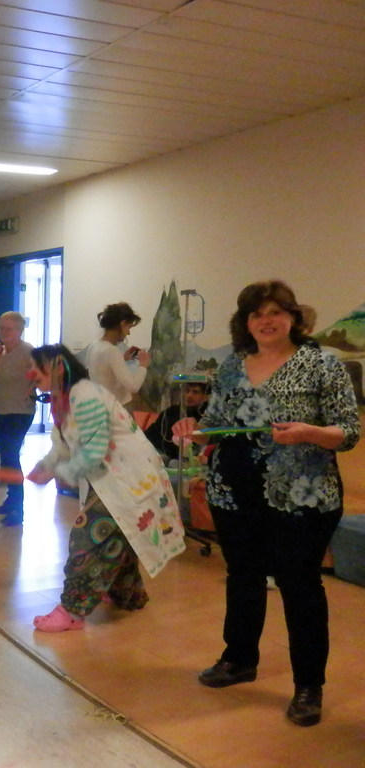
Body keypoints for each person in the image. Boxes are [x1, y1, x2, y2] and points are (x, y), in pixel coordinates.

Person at [172, 280, 359, 727]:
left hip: (301, 495)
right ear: (245, 322)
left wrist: (310, 432)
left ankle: (309, 685)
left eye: (276, 311)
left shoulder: (322, 364)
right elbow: (214, 423)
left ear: (293, 317)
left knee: (300, 585)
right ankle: (238, 659)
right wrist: (191, 430)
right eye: (256, 314)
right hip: (234, 489)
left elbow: (348, 431)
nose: (266, 320)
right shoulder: (232, 366)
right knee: (243, 576)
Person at [25, 344, 185, 632]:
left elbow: (95, 450)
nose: (31, 373)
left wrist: (62, 473)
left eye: (38, 367)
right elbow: (62, 446)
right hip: (111, 479)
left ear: (58, 368)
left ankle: (72, 611)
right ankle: (128, 594)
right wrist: (44, 468)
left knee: (87, 538)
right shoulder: (63, 400)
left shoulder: (85, 395)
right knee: (120, 532)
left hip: (131, 480)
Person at [0, 311, 36, 526]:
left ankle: (18, 509)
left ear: (19, 330)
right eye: (1, 328)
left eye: (8, 329)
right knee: (7, 459)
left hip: (20, 412)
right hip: (1, 410)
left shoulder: (29, 352)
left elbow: (41, 376)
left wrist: (31, 388)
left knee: (11, 458)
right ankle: (11, 500)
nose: (3, 332)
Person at [83, 302, 149, 407]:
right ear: (122, 324)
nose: (128, 333)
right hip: (116, 408)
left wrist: (123, 359)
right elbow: (133, 386)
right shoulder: (112, 351)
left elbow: (103, 371)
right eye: (129, 327)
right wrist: (143, 365)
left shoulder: (94, 346)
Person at [144, 381, 210, 461]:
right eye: (187, 391)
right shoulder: (171, 411)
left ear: (205, 396)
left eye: (195, 392)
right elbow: (151, 434)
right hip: (159, 454)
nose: (189, 395)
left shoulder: (207, 418)